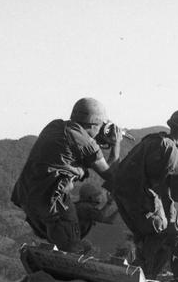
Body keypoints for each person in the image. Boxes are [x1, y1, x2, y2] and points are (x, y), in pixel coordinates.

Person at [11, 97, 122, 252]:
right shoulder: (85, 142)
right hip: (53, 200)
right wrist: (116, 145)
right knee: (73, 247)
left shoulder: (54, 126)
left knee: (60, 241)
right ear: (95, 124)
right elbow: (110, 174)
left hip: (27, 196)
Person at [112, 109, 178, 282]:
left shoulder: (153, 140)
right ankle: (144, 281)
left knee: (158, 234)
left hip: (126, 197)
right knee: (163, 234)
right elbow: (164, 190)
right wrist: (170, 219)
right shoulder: (170, 149)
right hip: (142, 198)